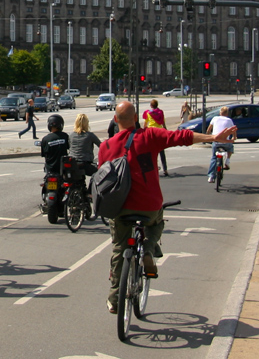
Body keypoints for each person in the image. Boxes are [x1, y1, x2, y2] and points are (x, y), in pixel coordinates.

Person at [99, 101, 236, 313]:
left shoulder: (105, 147)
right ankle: (149, 248)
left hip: (119, 208)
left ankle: (114, 297)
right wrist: (212, 138)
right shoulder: (149, 136)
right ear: (136, 118)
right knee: (156, 223)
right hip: (148, 205)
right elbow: (182, 137)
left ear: (115, 120)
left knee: (119, 247)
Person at [205, 106, 237, 183]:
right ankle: (227, 161)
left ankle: (211, 177)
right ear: (227, 113)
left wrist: (208, 137)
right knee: (231, 148)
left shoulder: (215, 118)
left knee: (213, 157)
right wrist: (233, 138)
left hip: (216, 141)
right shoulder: (229, 120)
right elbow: (233, 131)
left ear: (220, 112)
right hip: (226, 142)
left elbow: (208, 130)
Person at [143, 99, 169, 176]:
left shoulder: (148, 113)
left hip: (151, 133)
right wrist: (165, 130)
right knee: (161, 152)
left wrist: (144, 131)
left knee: (151, 152)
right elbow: (163, 122)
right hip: (159, 132)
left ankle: (154, 168)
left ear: (151, 105)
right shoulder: (160, 112)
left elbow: (145, 123)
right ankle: (165, 169)